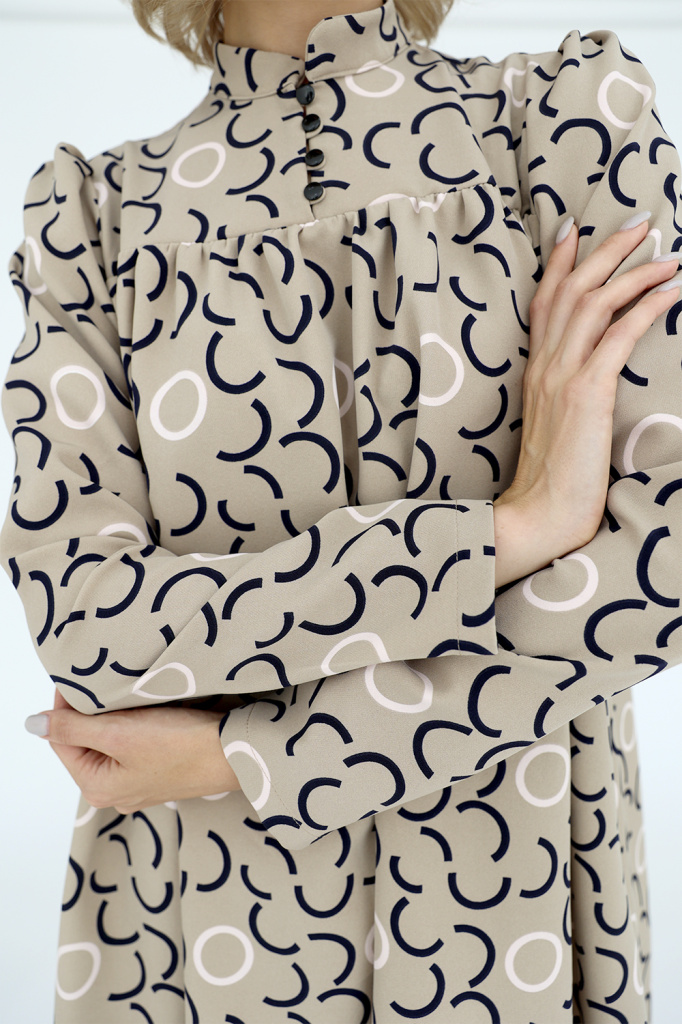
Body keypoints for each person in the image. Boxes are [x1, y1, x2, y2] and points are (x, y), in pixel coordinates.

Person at [2, 0, 681, 1018]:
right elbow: (92, 630)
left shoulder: (563, 121)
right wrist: (508, 534)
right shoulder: (95, 217)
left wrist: (255, 756)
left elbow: (659, 567)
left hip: (514, 919)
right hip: (196, 932)